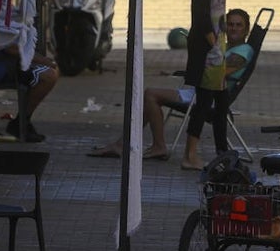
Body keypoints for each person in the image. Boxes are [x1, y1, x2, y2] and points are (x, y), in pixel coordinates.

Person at [87, 9, 254, 161]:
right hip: (201, 91)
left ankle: (154, 146)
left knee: (151, 94)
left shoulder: (243, 51)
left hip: (207, 98)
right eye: (230, 24)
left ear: (246, 30)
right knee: (150, 97)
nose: (233, 28)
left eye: (238, 25)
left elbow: (219, 72)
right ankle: (125, 143)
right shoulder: (225, 47)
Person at [181, 0, 233, 170]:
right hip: (208, 50)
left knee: (221, 103)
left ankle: (222, 150)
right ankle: (190, 154)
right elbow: (200, 12)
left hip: (217, 49)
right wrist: (212, 41)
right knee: (204, 103)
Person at [0, 44, 60, 142]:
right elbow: (11, 48)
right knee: (49, 77)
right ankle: (21, 121)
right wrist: (43, 60)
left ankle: (22, 121)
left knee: (49, 71)